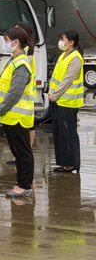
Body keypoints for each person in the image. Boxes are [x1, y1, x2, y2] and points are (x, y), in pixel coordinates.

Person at [0, 27, 35, 197]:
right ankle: (22, 183)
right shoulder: (14, 60)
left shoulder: (21, 63)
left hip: (18, 115)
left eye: (6, 40)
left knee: (22, 151)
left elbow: (15, 92)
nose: (5, 43)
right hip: (10, 115)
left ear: (16, 42)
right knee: (17, 151)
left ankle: (24, 185)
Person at [49, 30, 84, 173]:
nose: (60, 41)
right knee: (59, 134)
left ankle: (71, 163)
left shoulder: (75, 58)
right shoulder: (63, 55)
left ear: (71, 42)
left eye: (62, 39)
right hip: (59, 100)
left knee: (68, 133)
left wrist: (55, 95)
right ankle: (64, 162)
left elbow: (67, 80)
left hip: (68, 102)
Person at [14, 21, 38, 156]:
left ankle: (26, 150)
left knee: (29, 123)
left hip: (26, 90)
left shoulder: (27, 49)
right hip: (26, 89)